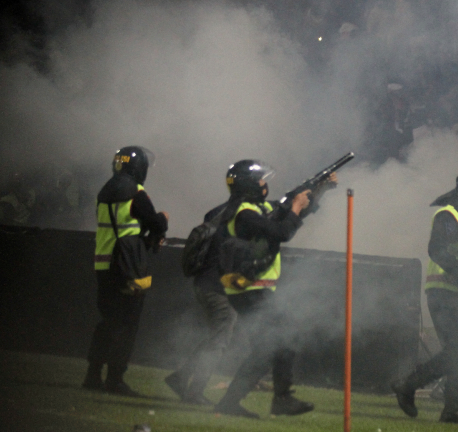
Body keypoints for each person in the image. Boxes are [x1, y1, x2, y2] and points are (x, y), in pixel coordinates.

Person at [212, 159, 337, 419]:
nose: (264, 184)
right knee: (278, 341)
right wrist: (296, 207)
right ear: (249, 184)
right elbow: (282, 231)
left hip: (253, 289)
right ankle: (279, 399)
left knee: (270, 347)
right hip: (250, 290)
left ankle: (264, 400)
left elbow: (290, 212)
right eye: (260, 180)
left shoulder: (253, 208)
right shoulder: (245, 213)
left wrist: (319, 190)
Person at [391, 171, 458, 426]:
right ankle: (409, 385)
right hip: (444, 292)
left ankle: (450, 410)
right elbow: (435, 250)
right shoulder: (447, 216)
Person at [83, 146, 169, 396]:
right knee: (126, 324)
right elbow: (154, 222)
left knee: (108, 322)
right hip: (127, 266)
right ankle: (115, 379)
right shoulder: (136, 191)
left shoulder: (105, 191)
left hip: (103, 263)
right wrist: (163, 217)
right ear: (138, 167)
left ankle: (92, 375)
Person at [164, 201, 239, 406]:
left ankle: (180, 378)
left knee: (214, 338)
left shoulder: (219, 211)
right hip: (218, 288)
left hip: (205, 284)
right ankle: (194, 392)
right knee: (218, 343)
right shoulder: (243, 214)